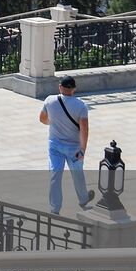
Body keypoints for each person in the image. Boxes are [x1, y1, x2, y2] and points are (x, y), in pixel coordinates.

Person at [39, 76, 96, 214]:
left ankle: (54, 209)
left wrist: (52, 123)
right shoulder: (80, 105)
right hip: (74, 148)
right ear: (74, 89)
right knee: (78, 174)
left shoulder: (49, 100)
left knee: (55, 175)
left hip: (55, 145)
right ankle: (83, 199)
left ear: (60, 87)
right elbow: (84, 129)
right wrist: (83, 150)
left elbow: (42, 119)